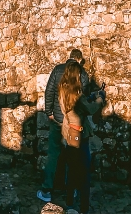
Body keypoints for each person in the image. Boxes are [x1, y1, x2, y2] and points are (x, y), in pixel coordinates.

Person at [51, 60, 103, 214]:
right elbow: (91, 109)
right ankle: (84, 208)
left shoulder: (63, 91)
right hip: (80, 136)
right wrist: (100, 98)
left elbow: (79, 106)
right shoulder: (77, 95)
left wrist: (90, 97)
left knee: (72, 171)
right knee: (85, 173)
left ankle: (70, 202)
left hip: (68, 134)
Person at [38, 49, 89, 204]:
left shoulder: (57, 70)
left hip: (57, 120)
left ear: (69, 57)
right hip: (73, 122)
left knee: (53, 155)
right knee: (73, 157)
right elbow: (83, 101)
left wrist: (49, 112)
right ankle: (70, 191)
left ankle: (47, 190)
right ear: (79, 60)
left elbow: (49, 91)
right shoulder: (83, 75)